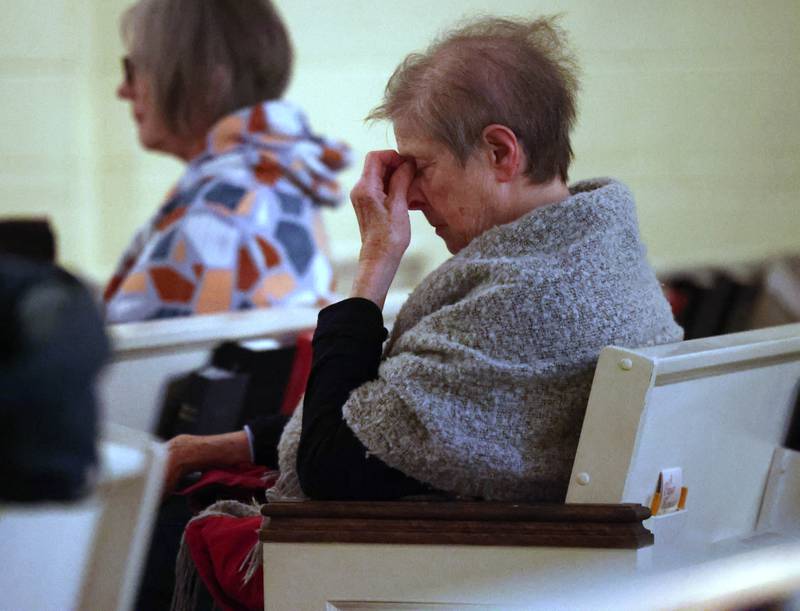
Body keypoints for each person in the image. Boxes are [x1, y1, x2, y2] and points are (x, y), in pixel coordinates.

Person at [169, 14, 684, 609]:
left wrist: (373, 267)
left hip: (440, 575)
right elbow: (389, 420)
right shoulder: (591, 256)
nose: (408, 197)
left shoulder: (523, 297)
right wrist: (222, 445)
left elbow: (332, 466)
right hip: (505, 563)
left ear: (499, 151)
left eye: (423, 168)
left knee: (161, 532)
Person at [104, 0, 349, 324]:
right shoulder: (279, 179)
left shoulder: (217, 216)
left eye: (133, 70)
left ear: (203, 81)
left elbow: (114, 364)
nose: (123, 90)